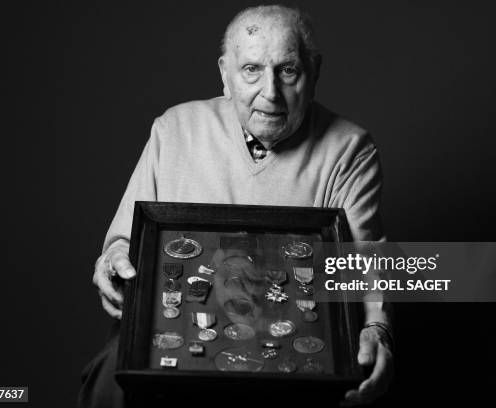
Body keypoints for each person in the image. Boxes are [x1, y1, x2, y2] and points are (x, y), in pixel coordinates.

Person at [80, 5, 393, 407]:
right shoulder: (173, 129)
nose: (270, 92)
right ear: (225, 75)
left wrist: (378, 328)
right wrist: (114, 260)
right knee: (110, 379)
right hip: (180, 326)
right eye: (251, 70)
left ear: (314, 72)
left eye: (288, 70)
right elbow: (125, 240)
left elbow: (367, 260)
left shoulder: (350, 149)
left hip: (288, 329)